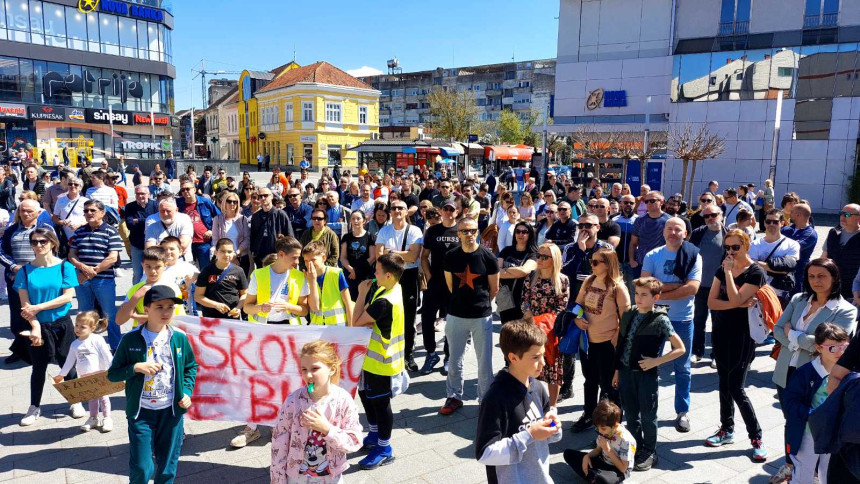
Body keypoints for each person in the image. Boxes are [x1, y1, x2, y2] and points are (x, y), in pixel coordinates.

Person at [770, 259, 857, 484]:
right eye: (811, 276)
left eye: (822, 276)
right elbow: (777, 329)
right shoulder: (799, 299)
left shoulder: (845, 310)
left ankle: (818, 471)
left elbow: (834, 346)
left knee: (821, 421)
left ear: (835, 278)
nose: (816, 281)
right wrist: (803, 339)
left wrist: (792, 335)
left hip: (819, 375)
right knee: (793, 419)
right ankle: (793, 465)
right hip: (787, 370)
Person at [107, 285, 198, 484]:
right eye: (159, 307)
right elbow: (112, 375)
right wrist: (135, 367)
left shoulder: (179, 338)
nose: (166, 312)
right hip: (141, 413)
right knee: (141, 466)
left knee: (167, 465)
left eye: (170, 307)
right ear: (146, 309)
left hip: (171, 411)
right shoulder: (130, 339)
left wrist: (187, 392)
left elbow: (190, 367)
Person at [706, 229, 768, 460]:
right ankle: (726, 429)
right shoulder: (722, 268)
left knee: (736, 388)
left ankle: (756, 437)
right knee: (723, 383)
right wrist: (737, 303)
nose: (730, 252)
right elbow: (712, 302)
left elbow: (733, 298)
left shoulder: (755, 272)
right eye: (727, 247)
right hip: (721, 332)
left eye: (735, 247)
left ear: (746, 246)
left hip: (743, 336)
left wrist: (730, 276)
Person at [475, 320, 561, 484]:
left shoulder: (538, 388)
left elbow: (548, 438)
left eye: (543, 355)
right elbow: (485, 453)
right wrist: (529, 435)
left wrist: (553, 426)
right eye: (536, 357)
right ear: (513, 358)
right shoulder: (495, 398)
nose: (543, 362)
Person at [613, 277, 686, 471]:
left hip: (646, 376)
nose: (639, 298)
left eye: (644, 295)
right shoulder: (629, 314)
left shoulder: (660, 319)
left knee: (648, 415)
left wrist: (656, 361)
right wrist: (617, 371)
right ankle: (636, 445)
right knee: (630, 413)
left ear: (656, 297)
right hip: (627, 372)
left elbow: (680, 348)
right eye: (637, 293)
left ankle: (650, 451)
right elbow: (621, 345)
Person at [14, 228, 86, 425]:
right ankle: (34, 406)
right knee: (38, 367)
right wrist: (35, 326)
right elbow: (25, 305)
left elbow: (67, 296)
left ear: (53, 243)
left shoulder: (65, 267)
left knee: (68, 362)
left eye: (43, 242)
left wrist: (39, 306)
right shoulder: (26, 271)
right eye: (35, 242)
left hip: (62, 324)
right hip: (38, 325)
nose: (38, 246)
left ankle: (76, 400)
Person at [270, 340, 363, 484]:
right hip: (297, 477)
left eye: (315, 369)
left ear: (331, 369)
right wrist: (278, 479)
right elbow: (279, 441)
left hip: (330, 477)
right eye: (304, 369)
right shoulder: (293, 401)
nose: (308, 375)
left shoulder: (343, 400)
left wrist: (327, 429)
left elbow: (354, 442)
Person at [641, 217, 701, 433]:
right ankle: (647, 407)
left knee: (682, 368)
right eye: (669, 228)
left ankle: (682, 411)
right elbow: (645, 286)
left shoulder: (694, 256)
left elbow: (692, 289)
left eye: (678, 229)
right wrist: (674, 286)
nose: (673, 232)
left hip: (682, 318)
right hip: (654, 318)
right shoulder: (652, 255)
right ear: (664, 231)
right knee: (649, 364)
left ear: (685, 233)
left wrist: (660, 289)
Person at [351, 253, 407, 470]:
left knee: (381, 404)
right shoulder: (393, 288)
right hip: (372, 359)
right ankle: (374, 434)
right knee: (366, 395)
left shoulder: (384, 301)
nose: (374, 274)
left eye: (377, 271)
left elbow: (356, 322)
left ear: (389, 275)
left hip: (381, 361)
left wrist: (362, 294)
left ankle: (384, 448)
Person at [440, 218, 499, 415]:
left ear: (478, 232)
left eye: (472, 230)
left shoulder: (488, 257)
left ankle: (485, 399)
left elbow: (494, 288)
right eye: (464, 231)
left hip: (481, 316)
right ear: (458, 234)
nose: (468, 234)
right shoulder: (450, 256)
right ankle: (454, 396)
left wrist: (479, 303)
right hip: (456, 315)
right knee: (454, 358)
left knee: (484, 362)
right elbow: (449, 285)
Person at [779, 323, 848, 484]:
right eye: (832, 348)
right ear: (818, 348)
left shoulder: (849, 373)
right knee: (804, 471)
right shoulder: (805, 373)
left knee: (829, 472)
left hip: (836, 433)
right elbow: (790, 404)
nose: (840, 352)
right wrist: (813, 415)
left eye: (844, 346)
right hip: (808, 432)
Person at [570, 249, 630, 433]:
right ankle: (589, 414)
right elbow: (577, 305)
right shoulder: (588, 281)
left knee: (609, 384)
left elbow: (626, 317)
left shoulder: (618, 287)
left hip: (607, 343)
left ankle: (612, 421)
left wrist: (616, 335)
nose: (592, 265)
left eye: (596, 262)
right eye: (591, 261)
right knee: (590, 380)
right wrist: (577, 319)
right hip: (587, 341)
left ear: (608, 264)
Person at [0, 200, 55, 363]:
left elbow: (55, 250)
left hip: (41, 279)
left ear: (38, 213)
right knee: (19, 317)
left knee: (44, 315)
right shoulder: (11, 231)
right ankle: (21, 351)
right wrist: (13, 267)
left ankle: (50, 351)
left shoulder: (46, 230)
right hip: (16, 280)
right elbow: (2, 252)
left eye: (29, 211)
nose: (25, 214)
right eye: (22, 210)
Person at [69, 200, 123, 350]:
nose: (89, 213)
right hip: (82, 279)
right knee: (84, 314)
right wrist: (82, 267)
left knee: (109, 314)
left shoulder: (111, 231)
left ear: (102, 212)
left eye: (92, 210)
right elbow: (72, 254)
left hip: (103, 281)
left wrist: (93, 271)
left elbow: (113, 257)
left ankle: (115, 346)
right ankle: (86, 345)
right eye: (86, 211)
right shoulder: (79, 232)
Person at [522, 242, 570, 407]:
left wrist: (542, 324)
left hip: (551, 331)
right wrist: (530, 320)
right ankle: (529, 401)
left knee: (552, 370)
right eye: (538, 256)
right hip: (531, 327)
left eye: (544, 257)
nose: (540, 259)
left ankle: (552, 405)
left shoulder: (562, 280)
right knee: (529, 365)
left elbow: (561, 307)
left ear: (554, 259)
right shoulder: (531, 276)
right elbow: (524, 301)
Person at [53, 311, 113, 432]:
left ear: (93, 328)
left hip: (100, 373)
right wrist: (61, 375)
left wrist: (114, 369)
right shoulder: (75, 344)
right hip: (85, 376)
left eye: (82, 327)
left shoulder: (97, 339)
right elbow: (69, 361)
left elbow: (107, 355)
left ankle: (107, 418)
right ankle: (93, 418)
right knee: (92, 397)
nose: (78, 329)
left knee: (103, 397)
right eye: (76, 325)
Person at [563, 400, 635, 484]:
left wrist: (608, 450)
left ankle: (594, 477)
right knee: (568, 454)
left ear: (615, 425)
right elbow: (598, 450)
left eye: (603, 428)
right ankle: (594, 477)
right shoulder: (604, 431)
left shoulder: (626, 440)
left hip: (617, 469)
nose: (600, 431)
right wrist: (587, 456)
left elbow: (623, 468)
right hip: (603, 460)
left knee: (603, 480)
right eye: (598, 428)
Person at [689, 204, 726, 366]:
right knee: (698, 319)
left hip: (720, 287)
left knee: (719, 323)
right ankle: (697, 351)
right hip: (700, 285)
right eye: (706, 216)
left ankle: (717, 355)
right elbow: (689, 255)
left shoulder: (729, 234)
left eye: (713, 215)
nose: (710, 219)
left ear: (721, 215)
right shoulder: (698, 233)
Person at [750, 209, 801, 306]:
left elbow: (786, 269)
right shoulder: (754, 244)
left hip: (780, 294)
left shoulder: (792, 244)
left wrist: (757, 263)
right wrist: (776, 266)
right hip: (758, 293)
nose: (771, 224)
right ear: (764, 223)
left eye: (775, 222)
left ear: (782, 223)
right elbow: (751, 269)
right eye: (768, 221)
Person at [194, 238, 248, 319]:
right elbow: (198, 296)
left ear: (233, 253)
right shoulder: (207, 271)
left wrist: (238, 308)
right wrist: (216, 305)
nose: (226, 254)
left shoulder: (239, 271)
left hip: (231, 316)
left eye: (229, 252)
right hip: (211, 316)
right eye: (222, 251)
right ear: (216, 252)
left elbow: (244, 294)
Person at [303, 241, 352, 326]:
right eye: (306, 260)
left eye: (313, 260)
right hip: (317, 328)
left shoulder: (336, 274)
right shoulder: (305, 277)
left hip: (337, 327)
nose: (309, 264)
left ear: (323, 258)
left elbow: (348, 303)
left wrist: (351, 328)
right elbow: (315, 307)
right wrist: (312, 281)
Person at [177, 179, 221, 271]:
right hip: (186, 244)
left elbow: (219, 218)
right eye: (182, 190)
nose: (185, 192)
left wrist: (212, 231)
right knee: (187, 270)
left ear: (194, 190)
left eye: (187, 189)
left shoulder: (205, 202)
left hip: (203, 243)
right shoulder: (178, 203)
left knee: (205, 269)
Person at [821, 204, 860, 302]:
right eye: (841, 214)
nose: (842, 217)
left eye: (846, 215)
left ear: (858, 218)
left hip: (853, 291)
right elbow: (824, 258)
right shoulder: (834, 233)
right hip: (832, 287)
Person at [628, 190, 670, 280]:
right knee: (641, 293)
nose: (649, 203)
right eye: (646, 201)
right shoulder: (639, 220)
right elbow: (633, 243)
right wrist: (632, 260)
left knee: (662, 293)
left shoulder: (669, 221)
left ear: (661, 202)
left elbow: (675, 245)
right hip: (641, 266)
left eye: (652, 201)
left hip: (662, 266)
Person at [250, 187, 295, 268]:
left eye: (265, 195)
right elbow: (253, 236)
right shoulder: (256, 216)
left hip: (277, 255)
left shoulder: (280, 214)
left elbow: (290, 236)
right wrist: (254, 251)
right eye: (260, 196)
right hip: (261, 256)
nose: (263, 198)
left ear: (271, 197)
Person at [211, 191, 251, 277]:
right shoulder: (217, 219)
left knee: (240, 286)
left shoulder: (243, 219)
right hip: (223, 257)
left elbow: (247, 238)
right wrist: (228, 255)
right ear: (224, 203)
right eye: (229, 201)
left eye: (235, 202)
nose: (232, 203)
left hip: (240, 257)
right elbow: (216, 240)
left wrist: (236, 254)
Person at [782, 203, 818, 295]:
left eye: (792, 212)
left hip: (797, 273)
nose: (790, 214)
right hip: (781, 270)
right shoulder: (786, 229)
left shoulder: (810, 234)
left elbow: (794, 248)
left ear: (798, 215)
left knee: (795, 298)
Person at [341, 210, 376, 300]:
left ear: (364, 221)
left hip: (365, 275)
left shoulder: (370, 237)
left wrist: (356, 270)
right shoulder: (346, 237)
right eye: (353, 219)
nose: (355, 221)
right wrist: (351, 269)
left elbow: (372, 257)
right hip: (350, 275)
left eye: (358, 218)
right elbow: (343, 257)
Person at [614, 194, 639, 291]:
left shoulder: (639, 220)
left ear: (634, 204)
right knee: (616, 289)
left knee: (633, 289)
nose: (628, 204)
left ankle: (632, 306)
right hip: (617, 262)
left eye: (631, 203)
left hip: (632, 262)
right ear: (621, 204)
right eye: (625, 202)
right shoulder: (614, 219)